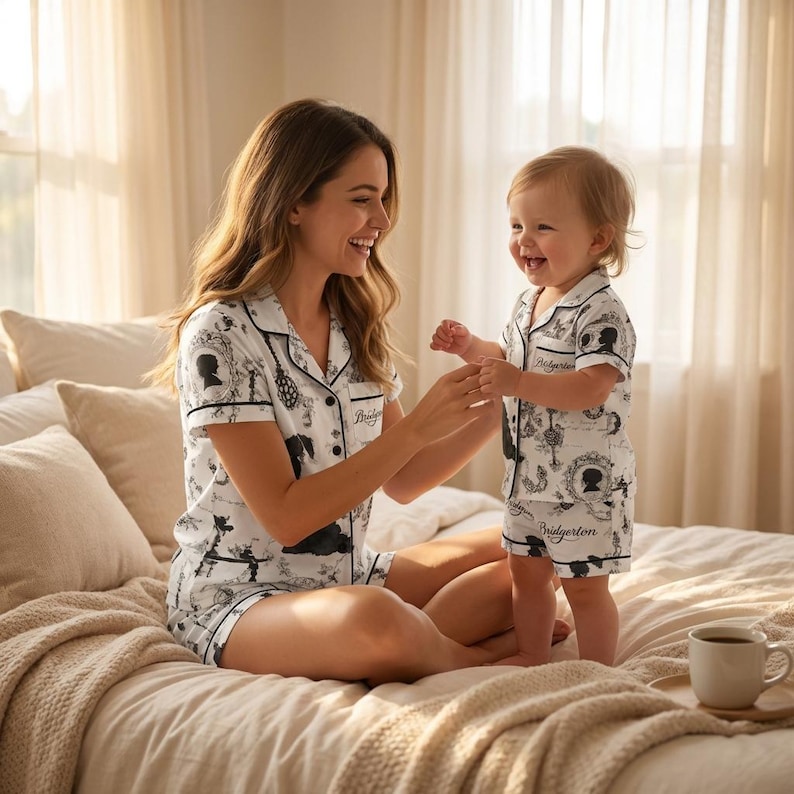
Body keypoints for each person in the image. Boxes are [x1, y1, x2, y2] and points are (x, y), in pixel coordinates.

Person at [150, 98, 569, 686]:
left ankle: (419, 641)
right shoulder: (221, 333)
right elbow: (286, 517)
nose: (382, 219)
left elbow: (405, 479)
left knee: (541, 546)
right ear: (294, 202)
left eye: (383, 199)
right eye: (361, 199)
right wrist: (422, 423)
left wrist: (500, 406)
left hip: (347, 575)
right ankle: (469, 657)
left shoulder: (352, 323)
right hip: (238, 599)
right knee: (373, 618)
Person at [431, 146, 637, 667]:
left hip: (582, 485)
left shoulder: (600, 310)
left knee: (584, 587)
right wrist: (470, 347)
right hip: (528, 479)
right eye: (517, 225)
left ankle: (596, 670)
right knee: (526, 574)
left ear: (597, 238)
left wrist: (517, 381)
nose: (524, 240)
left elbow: (591, 385)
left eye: (543, 226)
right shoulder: (530, 301)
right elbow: (508, 359)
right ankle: (530, 650)